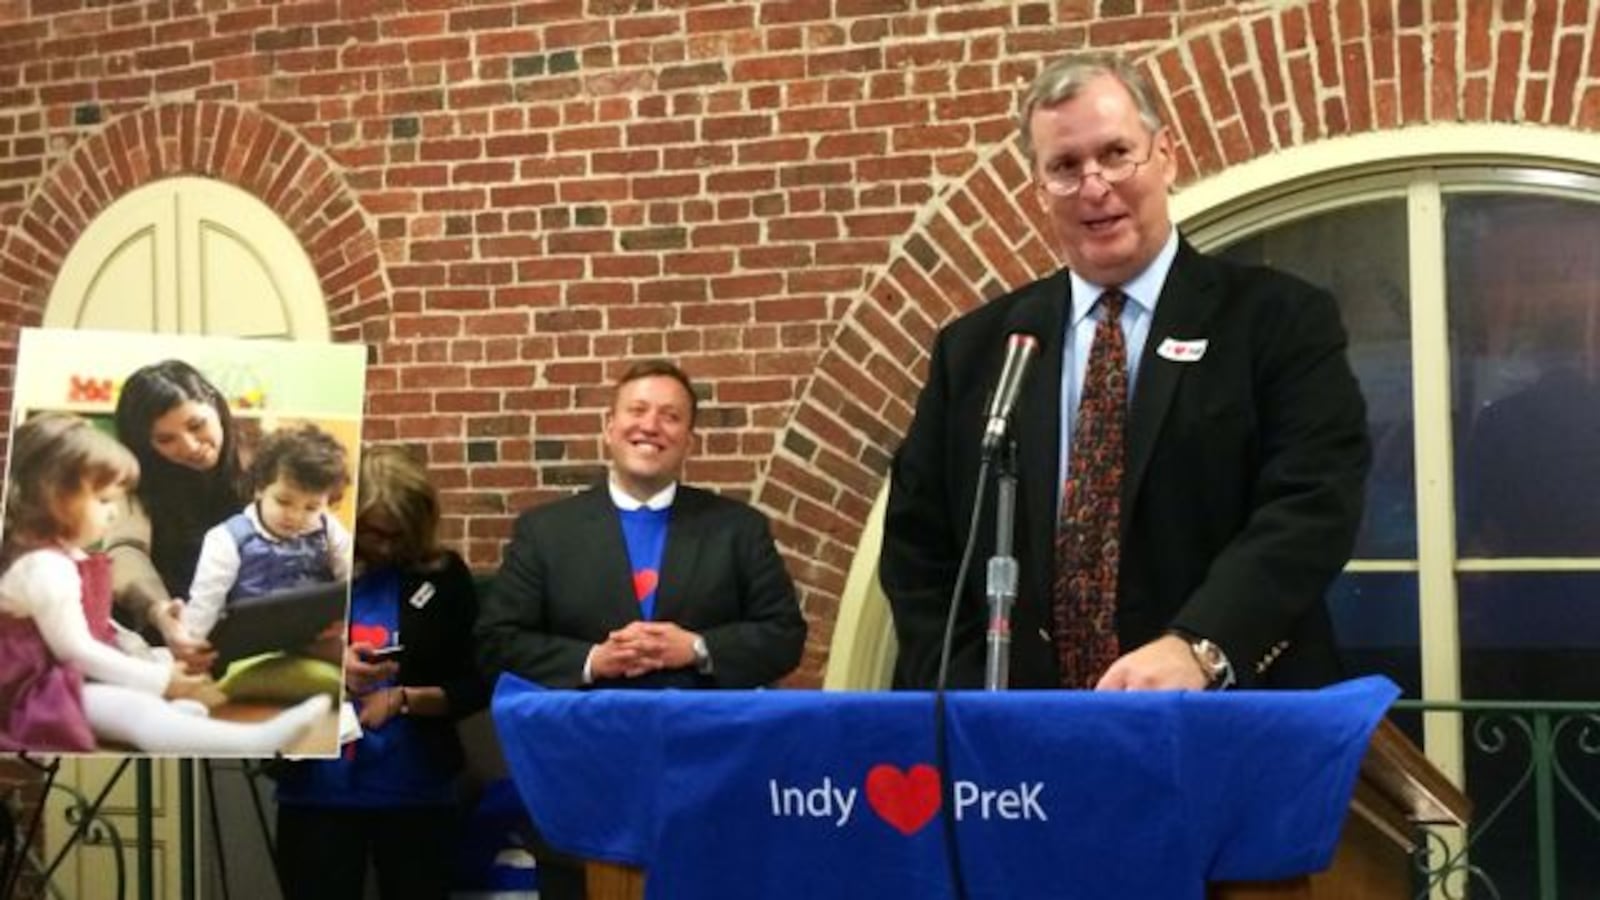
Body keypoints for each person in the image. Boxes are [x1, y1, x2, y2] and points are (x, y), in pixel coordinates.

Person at [880, 52, 1371, 692]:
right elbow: (919, 548)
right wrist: (979, 694)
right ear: (1038, 188)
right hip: (1023, 754)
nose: (1093, 186)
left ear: (1164, 155)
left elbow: (1312, 506)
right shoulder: (979, 350)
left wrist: (1201, 646)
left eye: (1116, 154)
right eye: (1064, 166)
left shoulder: (1277, 321)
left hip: (1226, 724)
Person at [476, 359, 808, 899]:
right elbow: (496, 641)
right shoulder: (545, 532)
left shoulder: (738, 530)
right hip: (582, 787)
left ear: (688, 440)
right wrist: (592, 662)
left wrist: (697, 648)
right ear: (608, 427)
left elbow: (784, 636)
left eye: (670, 416)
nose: (650, 425)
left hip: (705, 788)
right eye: (637, 410)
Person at [0, 413, 330, 754]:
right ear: (52, 497)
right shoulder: (45, 567)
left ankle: (175, 719)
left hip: (64, 676)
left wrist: (154, 661)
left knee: (155, 664)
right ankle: (252, 742)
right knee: (135, 711)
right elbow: (77, 650)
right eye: (103, 501)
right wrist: (161, 681)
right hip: (32, 693)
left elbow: (101, 627)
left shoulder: (65, 557)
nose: (113, 514)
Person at [273, 445, 488, 900]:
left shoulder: (444, 577)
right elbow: (253, 662)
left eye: (399, 535)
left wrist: (401, 699)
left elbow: (475, 684)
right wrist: (334, 663)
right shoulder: (303, 570)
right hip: (315, 793)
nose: (387, 547)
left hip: (416, 792)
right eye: (374, 533)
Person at [106, 359, 247, 670]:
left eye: (197, 425)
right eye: (165, 440)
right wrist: (159, 610)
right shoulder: (137, 483)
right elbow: (125, 550)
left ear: (214, 403)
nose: (190, 446)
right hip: (163, 641)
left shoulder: (262, 469)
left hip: (245, 632)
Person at [182, 422, 353, 641]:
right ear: (260, 487)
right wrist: (191, 649)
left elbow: (352, 581)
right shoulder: (227, 538)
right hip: (254, 642)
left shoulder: (328, 528)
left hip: (317, 633)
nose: (295, 516)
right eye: (283, 501)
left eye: (311, 507)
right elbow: (205, 605)